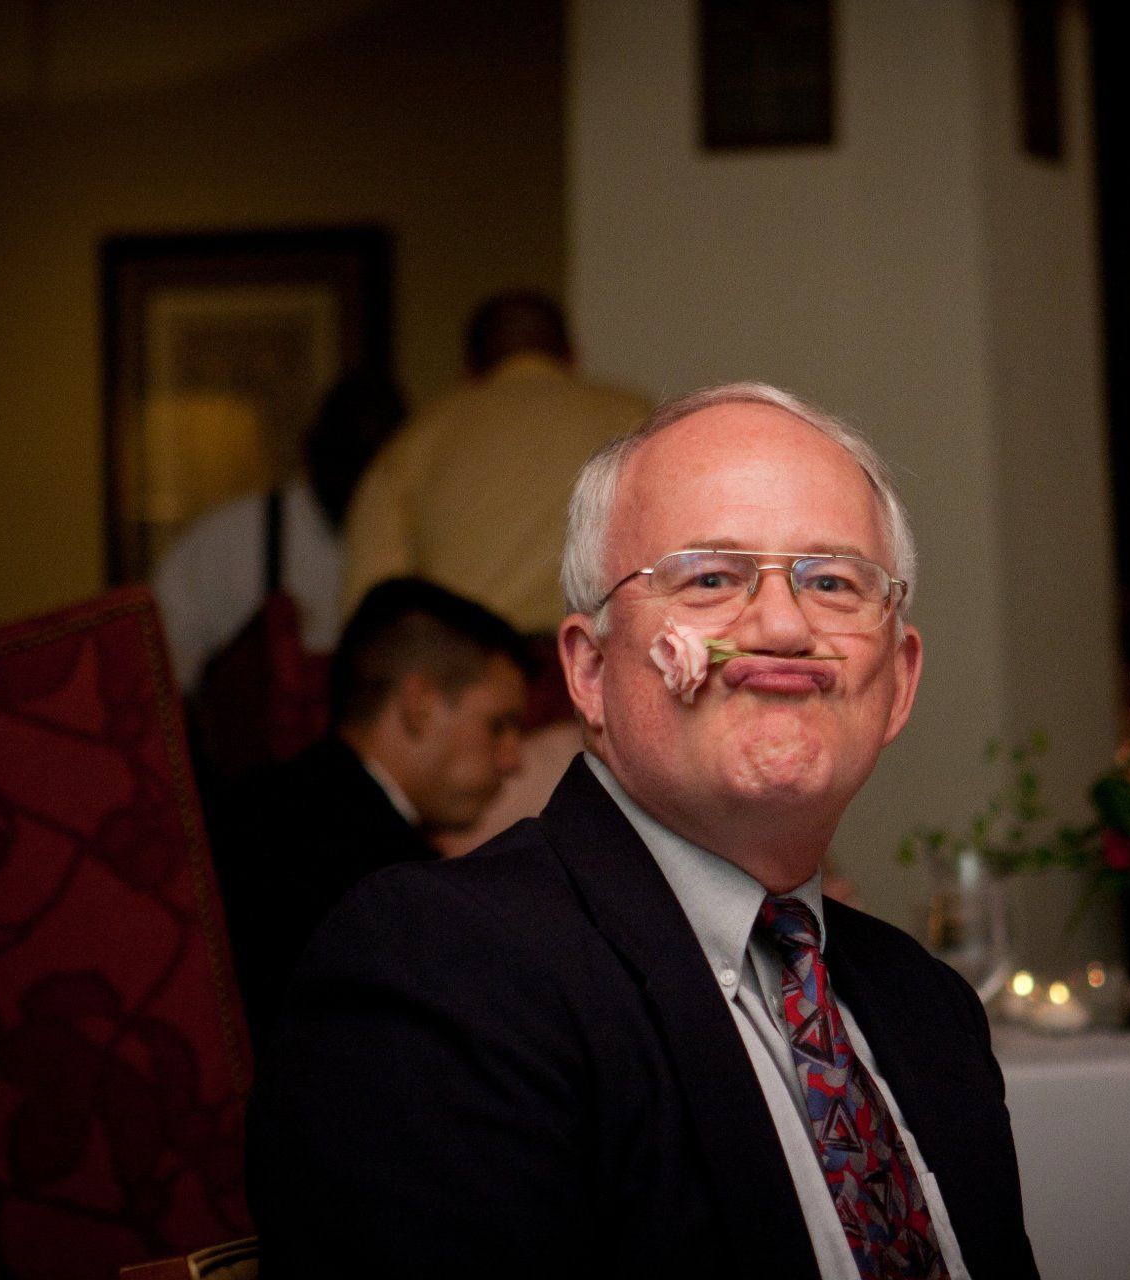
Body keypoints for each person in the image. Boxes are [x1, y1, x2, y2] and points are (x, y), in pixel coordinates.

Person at [248, 383, 1040, 1277]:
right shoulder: (441, 969)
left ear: (897, 682)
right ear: (589, 672)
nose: (783, 626)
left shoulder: (929, 1009)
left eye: (831, 582)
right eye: (710, 578)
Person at [215, 577, 528, 1045]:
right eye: (498, 725)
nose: (513, 759)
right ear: (420, 705)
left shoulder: (263, 802)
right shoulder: (388, 881)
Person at [340, 290, 650, 633]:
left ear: (469, 369)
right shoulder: (639, 421)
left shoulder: (413, 445)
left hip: (472, 658)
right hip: (609, 649)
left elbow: (374, 609)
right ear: (573, 357)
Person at [155, 371, 407, 695]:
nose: (363, 484)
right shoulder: (229, 543)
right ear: (312, 449)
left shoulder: (420, 544)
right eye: (349, 460)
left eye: (380, 467)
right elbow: (162, 664)